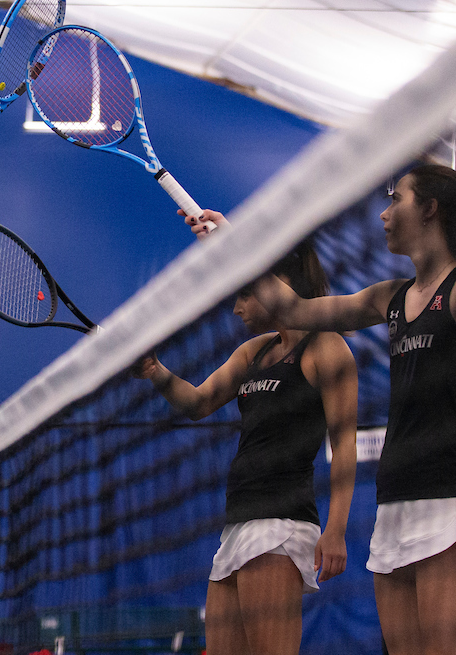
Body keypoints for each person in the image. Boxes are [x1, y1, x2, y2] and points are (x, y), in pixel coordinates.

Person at [194, 164, 456, 655]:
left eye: (396, 200)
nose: (384, 213)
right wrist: (231, 247)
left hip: (450, 504)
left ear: (430, 209)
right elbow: (292, 310)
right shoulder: (389, 298)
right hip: (392, 505)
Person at [134, 241, 358, 655]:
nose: (237, 308)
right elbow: (198, 403)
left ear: (279, 284)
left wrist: (337, 530)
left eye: (245, 293)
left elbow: (344, 446)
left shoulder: (326, 348)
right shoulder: (252, 352)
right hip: (237, 523)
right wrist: (155, 372)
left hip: (281, 524)